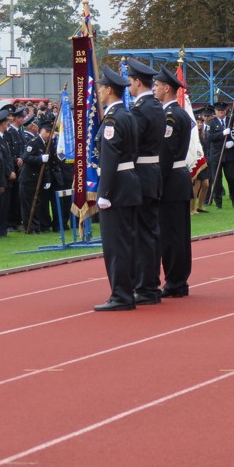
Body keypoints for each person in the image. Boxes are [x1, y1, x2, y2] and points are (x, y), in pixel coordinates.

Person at [94, 65, 142, 312]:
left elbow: (110, 160)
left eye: (101, 88)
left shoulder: (113, 119)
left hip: (117, 188)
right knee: (127, 242)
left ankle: (121, 294)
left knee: (116, 245)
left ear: (109, 90)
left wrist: (104, 193)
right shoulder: (128, 115)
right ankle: (127, 289)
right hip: (129, 184)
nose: (99, 92)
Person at [126, 58, 165, 306]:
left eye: (130, 83)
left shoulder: (141, 110)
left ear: (138, 82)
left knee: (143, 234)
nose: (128, 87)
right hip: (153, 172)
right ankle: (150, 283)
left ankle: (147, 285)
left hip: (142, 173)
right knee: (149, 231)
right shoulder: (156, 106)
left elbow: (132, 142)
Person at [153, 65, 193, 299]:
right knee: (176, 234)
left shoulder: (170, 116)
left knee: (172, 236)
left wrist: (156, 182)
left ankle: (176, 282)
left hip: (171, 181)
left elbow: (166, 154)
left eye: (157, 86)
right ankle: (178, 280)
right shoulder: (178, 113)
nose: (154, 89)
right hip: (178, 180)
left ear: (167, 88)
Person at [205, 100, 234, 208]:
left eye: (222, 110)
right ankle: (218, 203)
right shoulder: (211, 122)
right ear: (215, 111)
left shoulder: (232, 121)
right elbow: (210, 137)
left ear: (226, 111)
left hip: (230, 155)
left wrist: (233, 142)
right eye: (218, 110)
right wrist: (222, 134)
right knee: (217, 180)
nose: (221, 112)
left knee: (232, 178)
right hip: (216, 155)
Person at [192, 105, 214, 212]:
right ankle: (192, 209)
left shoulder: (204, 134)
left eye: (201, 122)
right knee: (197, 185)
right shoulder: (192, 136)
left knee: (206, 184)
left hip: (204, 162)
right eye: (197, 122)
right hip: (196, 162)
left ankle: (200, 206)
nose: (199, 124)